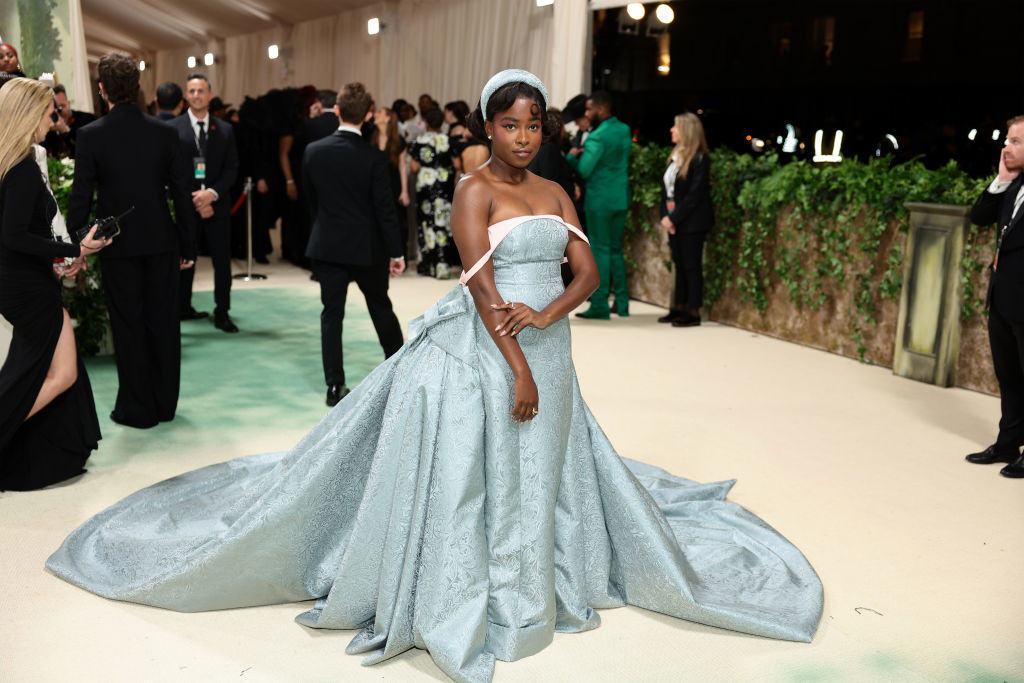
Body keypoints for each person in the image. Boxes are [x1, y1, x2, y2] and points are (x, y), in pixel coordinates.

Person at [46, 69, 822, 682]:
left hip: (547, 343)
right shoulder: (475, 189)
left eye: (534, 123)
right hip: (488, 349)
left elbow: (583, 271)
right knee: (476, 466)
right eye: (510, 123)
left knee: (545, 464)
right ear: (489, 126)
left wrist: (547, 321)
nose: (524, 135)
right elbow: (483, 293)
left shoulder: (555, 190)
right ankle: (482, 585)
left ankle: (542, 577)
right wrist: (519, 362)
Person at [67, 53, 197, 430]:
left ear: (102, 89)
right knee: (163, 322)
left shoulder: (90, 135)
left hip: (116, 245)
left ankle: (137, 409)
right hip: (161, 240)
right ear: (139, 88)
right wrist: (188, 246)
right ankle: (165, 403)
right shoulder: (166, 131)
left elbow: (81, 198)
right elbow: (182, 193)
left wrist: (78, 247)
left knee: (128, 324)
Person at [0, 77, 110, 489]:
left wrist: (66, 250)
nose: (56, 118)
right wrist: (70, 249)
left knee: (44, 372)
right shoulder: (23, 169)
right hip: (26, 288)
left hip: (23, 283)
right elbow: (13, 237)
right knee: (48, 374)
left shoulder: (12, 164)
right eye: (50, 112)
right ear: (30, 114)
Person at [302, 82, 406, 406]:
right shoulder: (374, 158)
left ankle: (334, 386)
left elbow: (310, 201)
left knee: (331, 315)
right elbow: (384, 210)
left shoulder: (313, 151)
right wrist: (396, 251)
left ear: (336, 110)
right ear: (369, 115)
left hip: (328, 244)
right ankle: (400, 371)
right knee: (380, 306)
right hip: (368, 248)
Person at [966, 114, 1024, 479]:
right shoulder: (1014, 185)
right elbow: (979, 217)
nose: (1006, 146)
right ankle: (1007, 443)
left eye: (1016, 141)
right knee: (1009, 376)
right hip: (1002, 298)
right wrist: (1002, 180)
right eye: (1007, 139)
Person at [171, 72, 239, 331]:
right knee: (185, 259)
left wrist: (211, 194)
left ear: (210, 96)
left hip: (216, 206)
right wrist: (193, 198)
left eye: (201, 91)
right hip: (185, 205)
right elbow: (170, 169)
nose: (197, 95)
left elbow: (232, 169)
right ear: (186, 96)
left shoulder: (225, 130)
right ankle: (182, 307)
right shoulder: (172, 128)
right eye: (192, 91)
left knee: (222, 261)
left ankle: (222, 311)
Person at [566, 91, 632, 319]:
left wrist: (572, 157)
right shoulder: (624, 130)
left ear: (601, 110)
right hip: (620, 196)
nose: (586, 113)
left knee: (601, 251)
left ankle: (601, 304)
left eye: (589, 109)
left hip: (600, 199)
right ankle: (622, 304)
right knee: (615, 249)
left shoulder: (597, 136)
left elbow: (584, 170)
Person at [658, 112, 714, 327]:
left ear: (687, 131)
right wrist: (665, 216)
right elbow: (666, 191)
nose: (672, 130)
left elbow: (695, 195)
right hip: (674, 219)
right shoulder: (675, 155)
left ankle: (693, 311)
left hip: (692, 222)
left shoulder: (700, 158)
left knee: (691, 266)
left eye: (676, 127)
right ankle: (678, 307)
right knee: (679, 264)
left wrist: (674, 218)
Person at [409, 107, 458, 278]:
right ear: (442, 122)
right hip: (444, 188)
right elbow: (458, 164)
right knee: (442, 225)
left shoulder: (419, 140)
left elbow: (414, 166)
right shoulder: (448, 140)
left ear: (427, 122)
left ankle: (426, 266)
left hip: (425, 189)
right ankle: (442, 266)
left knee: (425, 224)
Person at [370, 106, 411, 248]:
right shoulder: (370, 137)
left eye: (379, 113)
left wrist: (404, 191)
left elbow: (402, 167)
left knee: (395, 220)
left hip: (393, 185)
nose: (375, 115)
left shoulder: (398, 141)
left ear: (388, 118)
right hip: (373, 184)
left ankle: (396, 254)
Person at [43, 84, 97, 159]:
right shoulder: (49, 130)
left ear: (68, 103)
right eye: (55, 109)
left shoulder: (88, 120)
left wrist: (65, 131)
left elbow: (86, 153)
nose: (59, 112)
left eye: (62, 106)